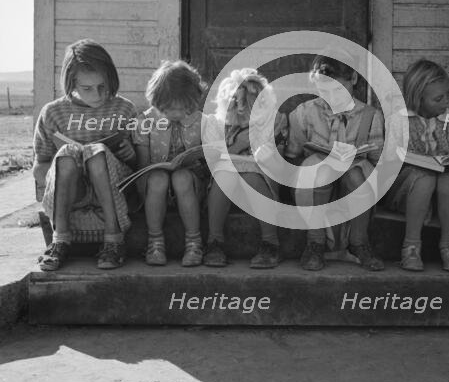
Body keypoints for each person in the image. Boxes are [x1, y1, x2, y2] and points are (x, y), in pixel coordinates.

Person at [34, 39, 137, 270]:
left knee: (96, 151)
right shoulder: (53, 113)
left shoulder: (125, 109)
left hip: (112, 184)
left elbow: (138, 165)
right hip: (72, 188)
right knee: (68, 153)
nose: (98, 94)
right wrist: (59, 169)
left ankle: (114, 240)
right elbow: (39, 167)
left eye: (103, 86)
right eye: (87, 88)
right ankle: (59, 240)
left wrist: (130, 155)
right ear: (71, 84)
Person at [286, 53, 385, 271]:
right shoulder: (304, 113)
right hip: (315, 183)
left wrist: (358, 156)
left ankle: (359, 242)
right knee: (317, 169)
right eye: (324, 90)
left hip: (356, 179)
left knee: (355, 173)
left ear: (354, 79)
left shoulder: (370, 116)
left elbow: (378, 161)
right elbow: (293, 155)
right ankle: (315, 241)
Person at [384, 59, 449, 272]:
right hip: (408, 189)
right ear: (418, 98)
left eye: (447, 95)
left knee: (448, 180)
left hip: (444, 185)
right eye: (438, 98)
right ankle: (411, 246)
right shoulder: (400, 121)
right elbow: (390, 159)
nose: (446, 101)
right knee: (425, 178)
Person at [202, 68, 287, 268]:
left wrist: (267, 154)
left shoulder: (274, 120)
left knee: (250, 176)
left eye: (248, 103)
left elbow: (280, 167)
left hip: (262, 181)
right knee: (225, 174)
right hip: (225, 185)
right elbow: (211, 162)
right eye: (235, 103)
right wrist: (237, 146)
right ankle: (214, 242)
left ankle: (270, 242)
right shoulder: (215, 122)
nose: (240, 109)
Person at [133, 60, 208, 266]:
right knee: (157, 178)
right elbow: (142, 166)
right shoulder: (145, 122)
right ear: (157, 102)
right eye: (168, 109)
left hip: (190, 187)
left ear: (192, 101)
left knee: (181, 177)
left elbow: (209, 161)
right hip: (155, 190)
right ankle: (155, 242)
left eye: (182, 108)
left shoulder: (202, 122)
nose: (175, 114)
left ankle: (194, 242)